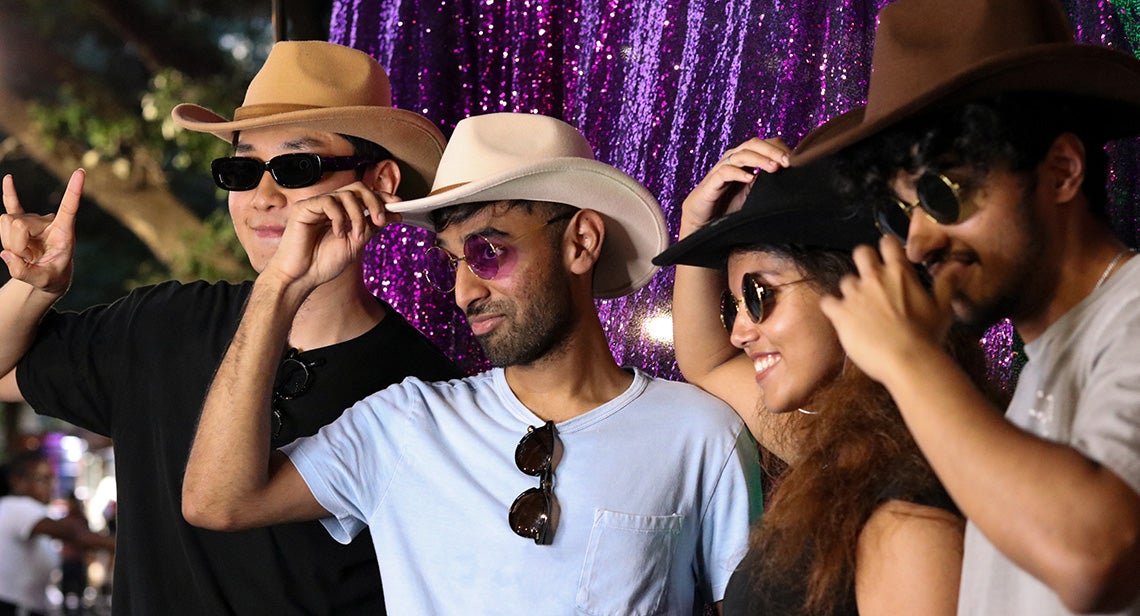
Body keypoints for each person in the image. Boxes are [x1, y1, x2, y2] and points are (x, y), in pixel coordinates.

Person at [182, 111, 762, 615]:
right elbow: (217, 502)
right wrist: (282, 285)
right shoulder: (404, 423)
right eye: (453, 260)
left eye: (488, 252)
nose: (464, 292)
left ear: (581, 241)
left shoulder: (699, 432)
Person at [0, 41, 463, 615]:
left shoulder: (426, 393)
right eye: (241, 171)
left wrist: (283, 284)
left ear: (381, 182)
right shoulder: (163, 323)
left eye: (296, 167)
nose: (263, 197)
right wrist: (35, 287)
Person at [789, 0, 1140, 613]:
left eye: (943, 193)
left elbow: (1095, 557)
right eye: (901, 212)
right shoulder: (1042, 369)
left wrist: (909, 360)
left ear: (1062, 171)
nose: (918, 243)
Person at [654, 141, 989, 615]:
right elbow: (708, 363)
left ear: (851, 286)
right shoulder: (847, 449)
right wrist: (695, 225)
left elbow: (709, 363)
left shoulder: (911, 513)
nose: (738, 332)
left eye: (759, 295)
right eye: (734, 306)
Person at [0, 450, 114, 616]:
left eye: (52, 479)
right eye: (42, 479)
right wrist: (124, 545)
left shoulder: (24, 510)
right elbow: (76, 535)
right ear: (17, 481)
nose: (51, 486)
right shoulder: (17, 507)